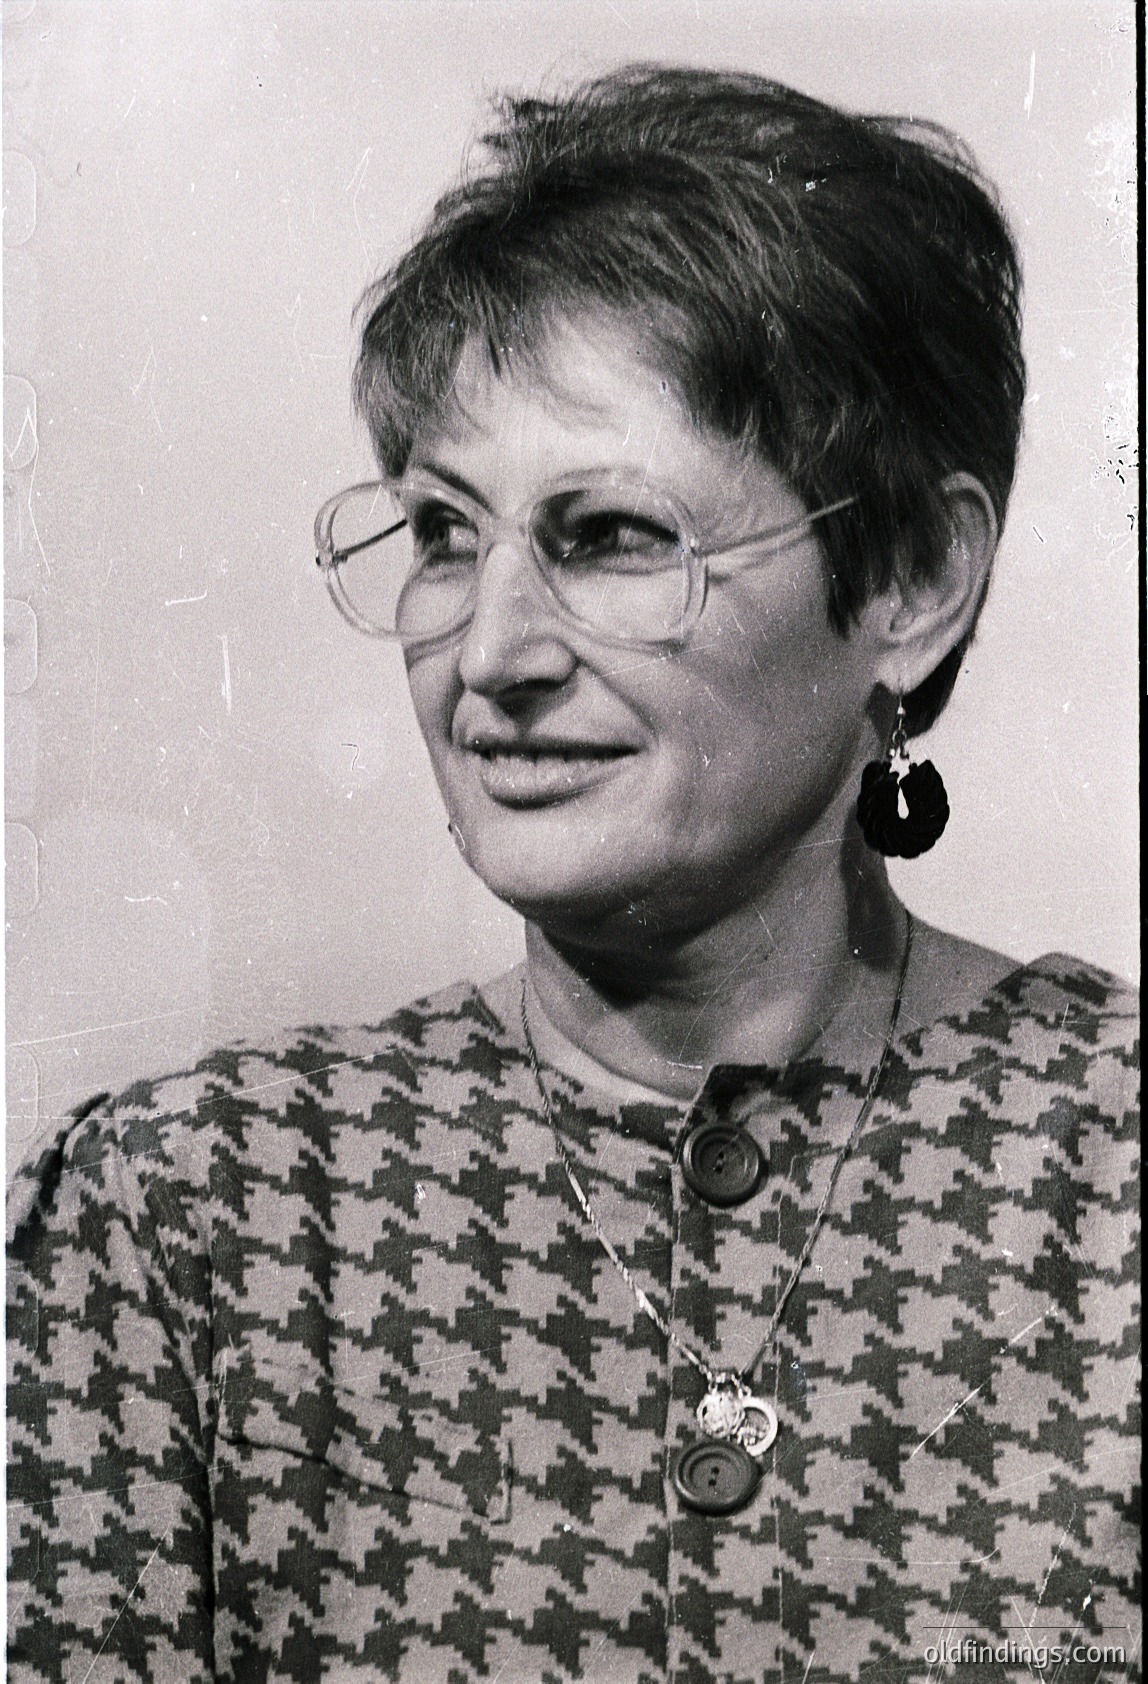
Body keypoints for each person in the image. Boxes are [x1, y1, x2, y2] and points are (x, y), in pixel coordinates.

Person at [7, 66, 1138, 1683]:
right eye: (446, 533)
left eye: (609, 534)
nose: (491, 654)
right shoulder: (193, 1222)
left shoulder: (1113, 1177)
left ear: (911, 579)